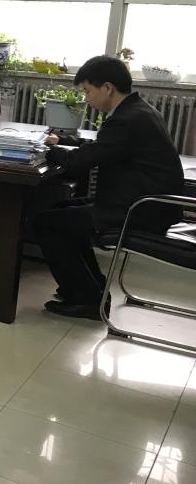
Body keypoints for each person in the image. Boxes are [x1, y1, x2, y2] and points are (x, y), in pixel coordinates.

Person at [37, 55, 184, 320]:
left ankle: (86, 299)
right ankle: (90, 289)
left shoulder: (127, 120)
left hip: (139, 211)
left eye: (87, 91)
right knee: (59, 210)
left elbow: (80, 163)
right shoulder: (137, 110)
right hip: (144, 203)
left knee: (48, 223)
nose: (86, 99)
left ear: (107, 88)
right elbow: (104, 149)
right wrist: (64, 142)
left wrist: (46, 151)